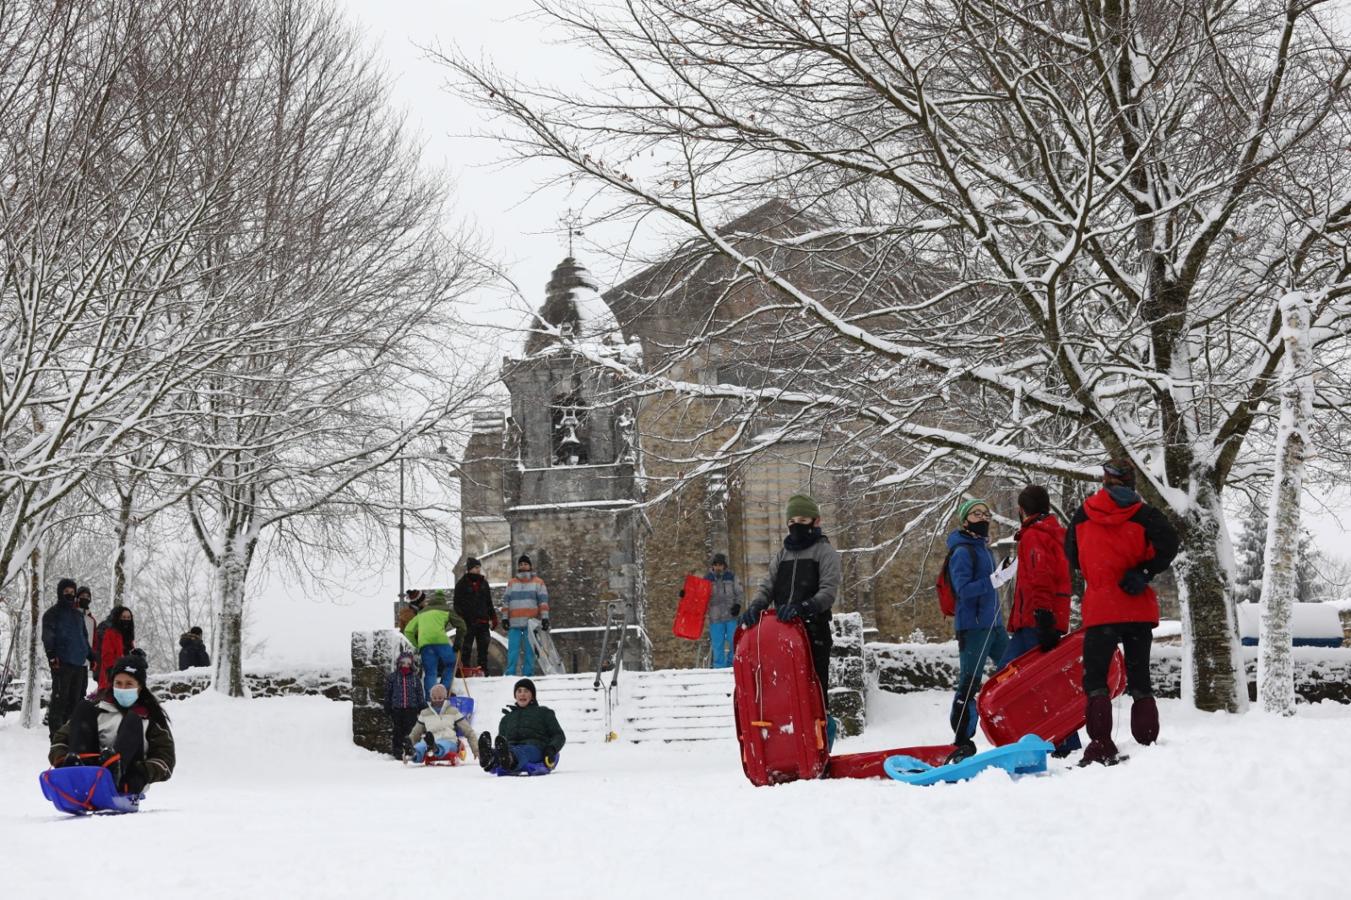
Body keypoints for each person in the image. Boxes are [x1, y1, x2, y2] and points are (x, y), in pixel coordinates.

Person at [1066, 459, 1179, 766]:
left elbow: (1072, 555)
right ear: (1131, 483)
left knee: (1097, 679)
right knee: (1139, 675)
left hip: (1101, 607)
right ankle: (1147, 742)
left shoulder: (1082, 514)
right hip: (1136, 605)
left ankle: (1101, 743)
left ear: (1105, 481)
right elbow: (1171, 542)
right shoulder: (1145, 515)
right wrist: (1144, 570)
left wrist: (1099, 570)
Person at [996, 485, 1080, 757]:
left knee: (1005, 676)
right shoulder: (1055, 533)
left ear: (1022, 509)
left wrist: (1043, 617)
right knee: (1044, 678)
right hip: (1045, 617)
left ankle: (1035, 739)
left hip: (1035, 619)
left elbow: (1040, 576)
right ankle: (1062, 741)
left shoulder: (1034, 536)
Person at [738, 494, 840, 707]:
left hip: (814, 633)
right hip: (781, 633)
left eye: (802, 521)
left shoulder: (825, 552)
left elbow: (828, 592)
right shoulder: (782, 555)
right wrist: (757, 605)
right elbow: (767, 586)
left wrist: (804, 608)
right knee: (783, 698)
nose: (796, 526)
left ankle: (822, 737)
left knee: (815, 698)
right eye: (792, 522)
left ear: (816, 521)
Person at [945, 498, 1016, 763]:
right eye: (976, 514)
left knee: (1013, 671)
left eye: (986, 513)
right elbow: (962, 591)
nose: (983, 517)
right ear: (965, 520)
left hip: (994, 625)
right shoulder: (963, 551)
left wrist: (1000, 574)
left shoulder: (983, 548)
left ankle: (1018, 724)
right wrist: (995, 580)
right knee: (969, 682)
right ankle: (961, 740)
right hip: (973, 627)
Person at [49, 654, 175, 795]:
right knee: (83, 707)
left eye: (129, 684)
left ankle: (114, 771)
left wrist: (142, 773)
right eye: (118, 683)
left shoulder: (150, 718)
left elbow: (165, 758)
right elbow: (61, 738)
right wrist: (61, 760)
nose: (123, 688)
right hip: (90, 772)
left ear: (139, 687)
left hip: (126, 778)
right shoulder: (98, 709)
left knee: (133, 720)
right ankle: (78, 770)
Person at [477, 678, 565, 774]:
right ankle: (490, 757)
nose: (522, 694)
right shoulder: (507, 718)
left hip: (535, 748)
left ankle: (509, 759)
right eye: (519, 691)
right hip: (510, 747)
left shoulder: (544, 712)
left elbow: (559, 735)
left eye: (526, 691)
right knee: (504, 751)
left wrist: (551, 748)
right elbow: (501, 742)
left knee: (523, 751)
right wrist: (501, 749)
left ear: (532, 695)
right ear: (515, 695)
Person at [41, 578, 91, 741]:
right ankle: (56, 736)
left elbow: (83, 638)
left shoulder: (78, 615)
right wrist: (52, 655)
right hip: (61, 664)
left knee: (75, 701)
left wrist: (90, 655)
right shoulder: (52, 613)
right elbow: (48, 636)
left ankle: (71, 734)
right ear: (60, 593)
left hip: (78, 663)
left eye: (72, 592)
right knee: (60, 700)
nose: (69, 595)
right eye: (66, 592)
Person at [403, 589, 467, 697]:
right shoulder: (446, 609)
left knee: (430, 672)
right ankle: (443, 692)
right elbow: (462, 626)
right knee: (451, 663)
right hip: (440, 641)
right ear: (443, 601)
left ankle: (430, 699)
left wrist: (417, 645)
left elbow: (408, 631)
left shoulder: (422, 612)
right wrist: (458, 644)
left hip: (425, 644)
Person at [502, 555, 549, 677]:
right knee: (512, 651)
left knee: (530, 652)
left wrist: (545, 618)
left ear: (530, 566)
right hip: (514, 623)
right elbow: (506, 601)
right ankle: (510, 674)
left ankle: (528, 674)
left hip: (530, 624)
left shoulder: (539, 582)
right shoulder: (511, 583)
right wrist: (504, 618)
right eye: (521, 564)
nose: (523, 566)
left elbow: (543, 602)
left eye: (525, 564)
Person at [410, 683, 479, 763]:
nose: (437, 701)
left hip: (449, 740)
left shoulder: (453, 711)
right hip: (429, 740)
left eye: (440, 698)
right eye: (434, 698)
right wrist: (410, 745)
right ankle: (414, 754)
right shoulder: (425, 713)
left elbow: (469, 731)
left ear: (445, 698)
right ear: (431, 698)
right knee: (421, 746)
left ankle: (435, 748)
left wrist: (476, 750)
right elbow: (415, 733)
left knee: (444, 744)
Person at [453, 558, 497, 673]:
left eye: (479, 567)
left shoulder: (484, 583)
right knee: (466, 648)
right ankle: (466, 671)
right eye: (476, 567)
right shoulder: (461, 584)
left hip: (482, 621)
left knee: (483, 649)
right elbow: (456, 604)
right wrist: (460, 619)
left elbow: (489, 602)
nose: (478, 570)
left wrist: (493, 617)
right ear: (470, 569)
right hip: (467, 622)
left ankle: (483, 671)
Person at [382, 651, 425, 759]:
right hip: (397, 708)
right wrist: (387, 705)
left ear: (411, 665)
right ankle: (397, 751)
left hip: (412, 709)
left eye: (408, 663)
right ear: (399, 663)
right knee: (397, 731)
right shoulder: (393, 677)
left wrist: (422, 706)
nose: (405, 665)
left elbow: (420, 693)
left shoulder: (415, 679)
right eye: (403, 662)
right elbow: (388, 692)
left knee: (411, 730)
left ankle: (411, 749)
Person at [704, 553, 742, 668]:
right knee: (717, 645)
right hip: (715, 618)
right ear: (713, 566)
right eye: (716, 565)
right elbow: (698, 596)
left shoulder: (732, 576)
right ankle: (719, 668)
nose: (718, 567)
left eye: (720, 565)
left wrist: (738, 605)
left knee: (733, 641)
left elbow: (739, 592)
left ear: (724, 565)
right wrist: (686, 594)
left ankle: (732, 665)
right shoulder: (707, 579)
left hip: (731, 616)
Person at [93, 605, 136, 692]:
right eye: (123, 617)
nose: (126, 620)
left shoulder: (128, 635)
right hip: (111, 677)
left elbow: (128, 653)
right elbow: (107, 656)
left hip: (126, 678)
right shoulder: (111, 633)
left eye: (128, 617)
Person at [76, 586, 97, 654]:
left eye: (87, 596)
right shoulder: (69, 614)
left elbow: (93, 642)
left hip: (86, 660)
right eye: (82, 596)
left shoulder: (91, 620)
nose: (85, 598)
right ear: (77, 598)